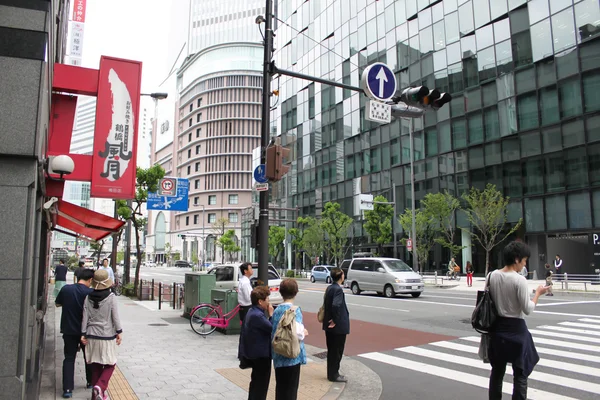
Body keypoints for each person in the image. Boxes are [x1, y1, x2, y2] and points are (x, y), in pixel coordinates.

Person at [487, 241, 548, 400]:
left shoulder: (492, 276)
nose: (524, 264)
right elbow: (527, 309)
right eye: (524, 260)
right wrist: (538, 294)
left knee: (497, 373)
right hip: (516, 330)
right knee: (520, 373)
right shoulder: (519, 280)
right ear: (516, 259)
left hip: (497, 329)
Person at [81, 269, 123, 400]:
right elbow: (115, 317)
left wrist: (83, 334)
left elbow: (85, 317)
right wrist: (119, 331)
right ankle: (100, 386)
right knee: (110, 363)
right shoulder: (111, 298)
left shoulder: (88, 297)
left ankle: (98, 394)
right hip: (106, 336)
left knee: (95, 365)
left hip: (91, 335)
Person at [56, 268, 95, 398]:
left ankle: (67, 389)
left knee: (69, 358)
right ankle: (90, 382)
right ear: (90, 280)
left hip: (68, 329)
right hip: (86, 332)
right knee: (88, 357)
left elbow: (57, 304)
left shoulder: (66, 289)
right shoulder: (90, 292)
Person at [271, 279, 308, 400]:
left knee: (280, 388)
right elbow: (297, 332)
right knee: (291, 390)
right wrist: (304, 332)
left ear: (281, 292)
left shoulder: (276, 310)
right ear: (296, 292)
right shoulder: (295, 310)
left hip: (278, 354)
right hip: (292, 356)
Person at [240, 286, 274, 400]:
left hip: (255, 353)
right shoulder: (258, 315)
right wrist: (271, 315)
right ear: (260, 301)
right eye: (267, 299)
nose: (269, 302)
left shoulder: (251, 311)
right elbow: (272, 328)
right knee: (261, 385)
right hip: (261, 355)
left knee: (256, 383)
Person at [322, 267, 350, 383]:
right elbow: (336, 305)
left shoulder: (330, 288)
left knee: (331, 350)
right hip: (337, 327)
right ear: (341, 276)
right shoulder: (338, 290)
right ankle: (334, 374)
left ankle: (331, 373)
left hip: (328, 325)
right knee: (337, 350)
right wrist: (335, 320)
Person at [238, 262, 253, 363]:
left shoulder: (242, 281)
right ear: (245, 271)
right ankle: (246, 353)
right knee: (247, 332)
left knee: (244, 331)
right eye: (250, 268)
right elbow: (249, 298)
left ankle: (242, 353)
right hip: (247, 307)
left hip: (243, 308)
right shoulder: (246, 283)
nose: (252, 270)